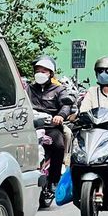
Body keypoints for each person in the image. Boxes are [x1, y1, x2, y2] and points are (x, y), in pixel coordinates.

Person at [27, 56, 73, 194]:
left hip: (51, 127)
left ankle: (54, 180)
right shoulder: (29, 88)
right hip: (32, 127)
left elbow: (66, 105)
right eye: (38, 71)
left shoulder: (59, 89)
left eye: (44, 71)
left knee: (58, 146)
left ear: (51, 74)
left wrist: (60, 116)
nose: (40, 73)